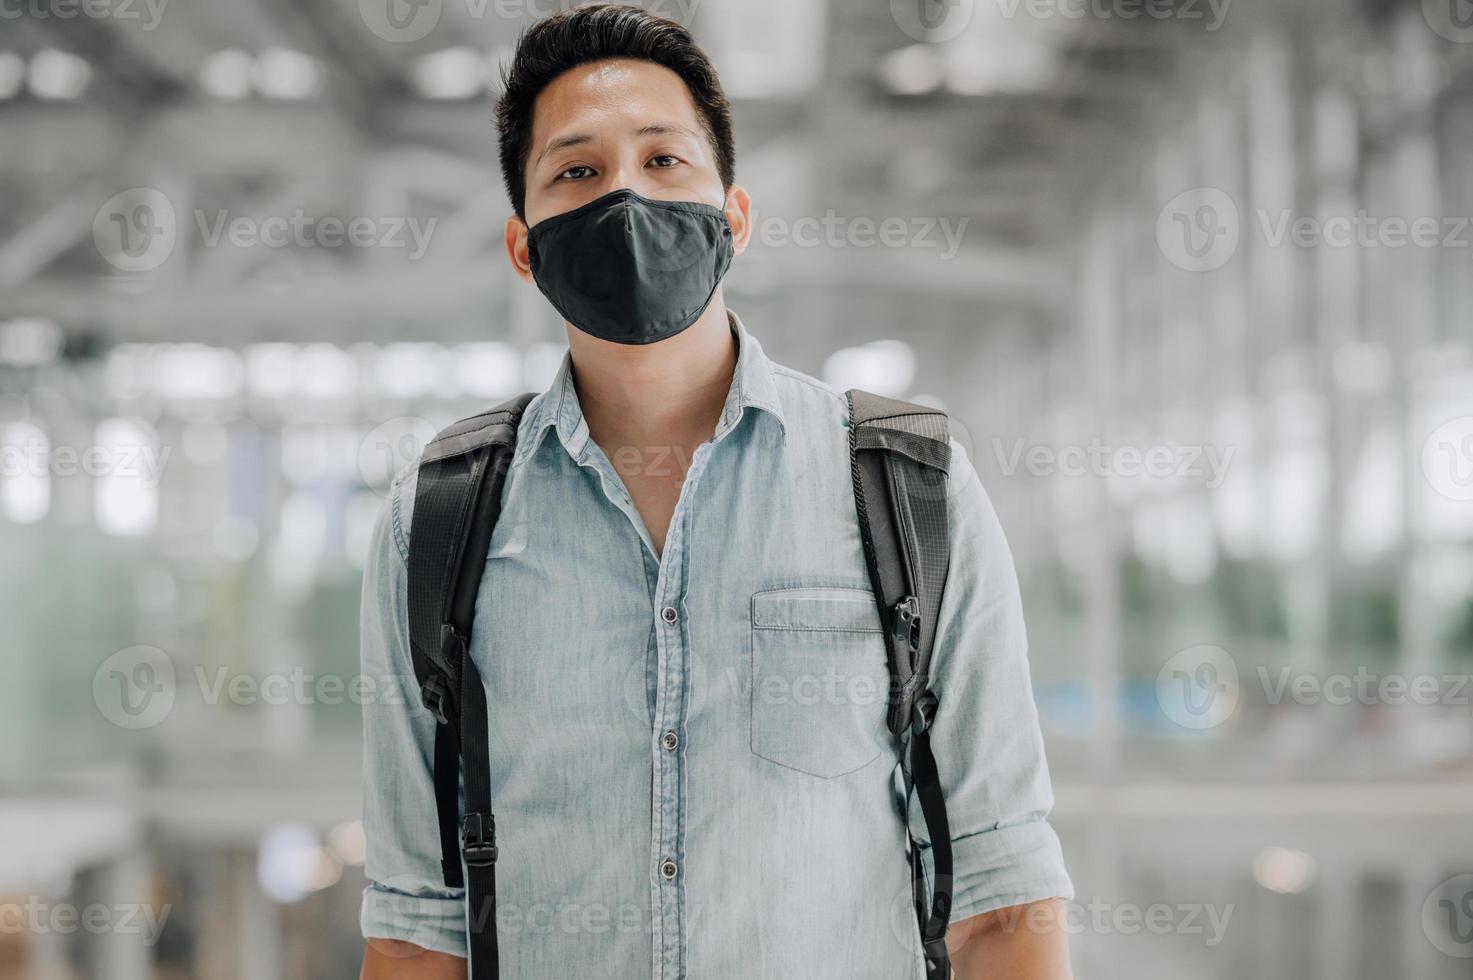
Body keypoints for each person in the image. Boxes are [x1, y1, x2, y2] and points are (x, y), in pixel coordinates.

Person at [359, 5, 1073, 978]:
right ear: (524, 246)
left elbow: (1005, 901)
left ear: (733, 217)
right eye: (577, 170)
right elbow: (414, 931)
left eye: (664, 161)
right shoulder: (439, 524)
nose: (624, 196)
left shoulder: (907, 490)